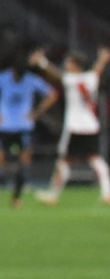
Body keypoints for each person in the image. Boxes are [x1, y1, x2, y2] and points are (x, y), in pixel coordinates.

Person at [31, 46, 110, 205]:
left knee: (63, 161)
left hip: (74, 127)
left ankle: (53, 194)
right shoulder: (91, 78)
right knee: (95, 159)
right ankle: (107, 192)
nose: (66, 65)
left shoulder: (72, 79)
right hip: (91, 125)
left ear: (75, 65)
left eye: (68, 62)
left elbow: (57, 75)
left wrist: (42, 62)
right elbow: (97, 70)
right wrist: (103, 59)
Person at [0, 57, 57, 208]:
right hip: (5, 127)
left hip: (23, 127)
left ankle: (16, 197)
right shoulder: (2, 78)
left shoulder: (30, 79)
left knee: (23, 163)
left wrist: (37, 113)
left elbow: (52, 94)